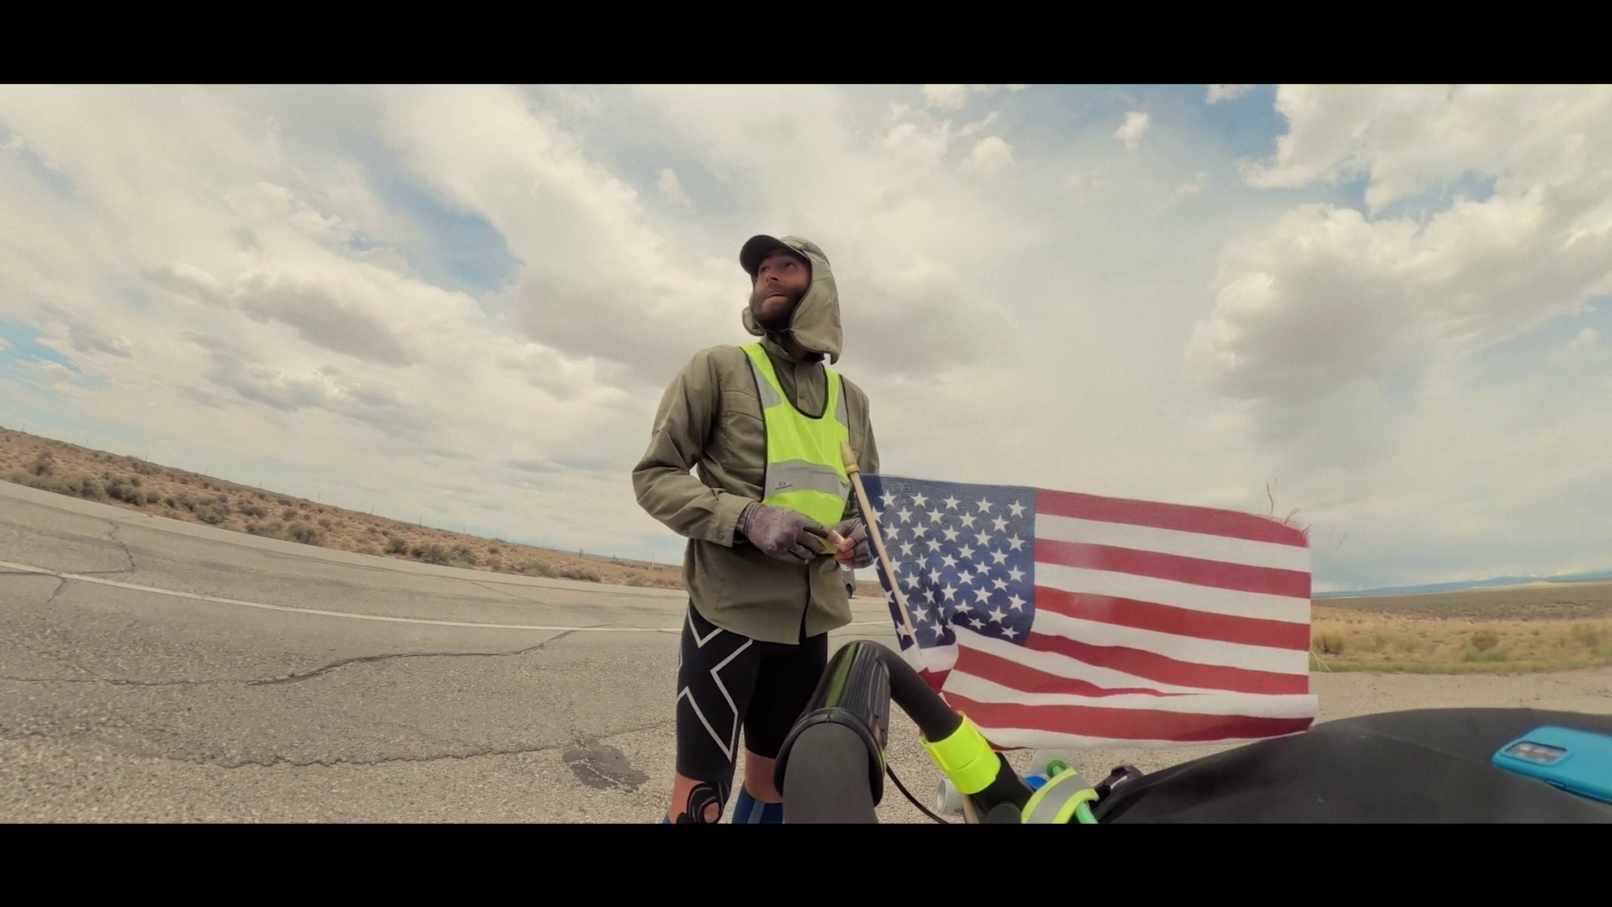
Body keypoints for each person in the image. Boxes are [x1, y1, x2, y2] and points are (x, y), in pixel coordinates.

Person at [632, 233, 880, 824]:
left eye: (786, 266)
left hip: (809, 627)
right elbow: (655, 477)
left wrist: (865, 537)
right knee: (701, 801)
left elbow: (869, 504)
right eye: (761, 269)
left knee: (777, 788)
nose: (768, 275)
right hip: (728, 618)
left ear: (821, 287)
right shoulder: (718, 369)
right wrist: (747, 517)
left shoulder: (853, 401)